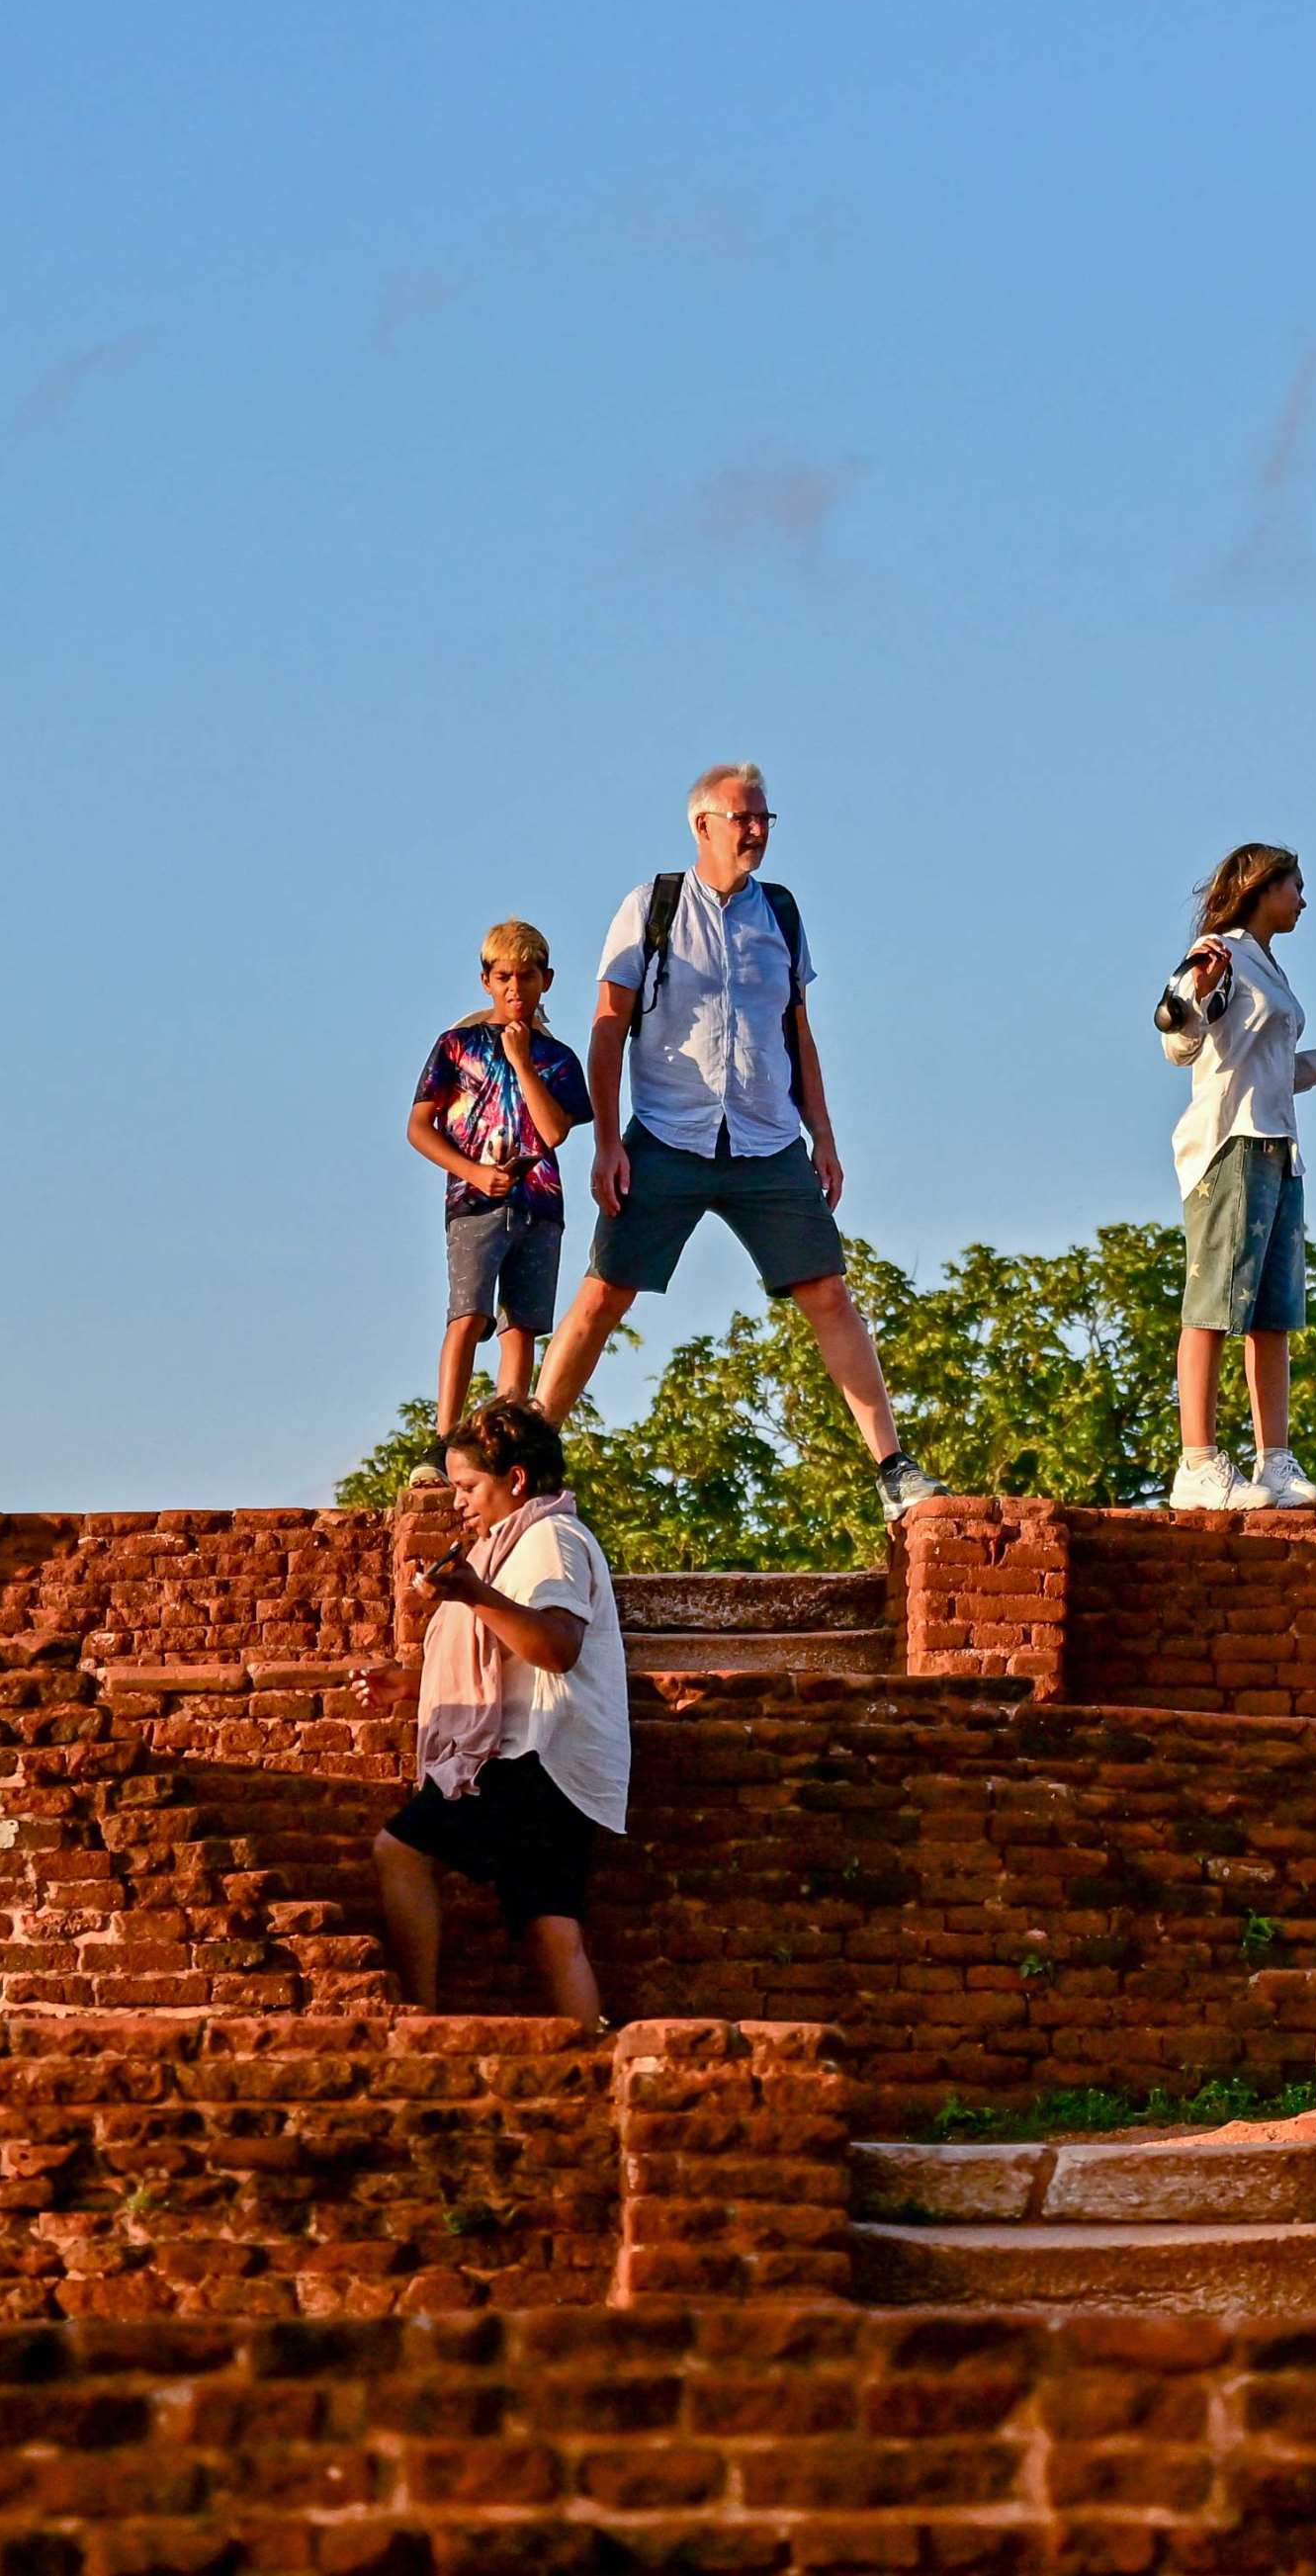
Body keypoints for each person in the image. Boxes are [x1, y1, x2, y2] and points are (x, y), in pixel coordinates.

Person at [531, 766, 946, 1523]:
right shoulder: (649, 907)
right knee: (600, 1295)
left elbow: (798, 1030)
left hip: (765, 1137)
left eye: (764, 817)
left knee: (829, 1293)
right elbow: (606, 1026)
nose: (755, 830)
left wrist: (822, 1132)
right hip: (666, 1132)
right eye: (741, 817)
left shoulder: (779, 914)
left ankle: (892, 1468)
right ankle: (527, 1455)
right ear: (702, 825)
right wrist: (604, 1144)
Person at [373, 1396, 629, 2018]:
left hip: (536, 1755)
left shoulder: (550, 1538)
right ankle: (593, 2062)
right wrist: (412, 1684)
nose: (458, 1501)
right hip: (556, 1758)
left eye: (468, 1485)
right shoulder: (520, 1542)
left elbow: (557, 1647)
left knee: (398, 1850)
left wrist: (473, 1593)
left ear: (515, 1480)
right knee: (550, 1928)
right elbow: (510, 1657)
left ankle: (422, 2016)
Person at [1155, 842, 1316, 1510]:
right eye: (1294, 885)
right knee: (1214, 1304)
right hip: (1232, 1146)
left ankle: (1273, 1461)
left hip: (1278, 1147)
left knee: (1271, 1313)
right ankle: (1197, 1462)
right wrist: (1199, 988)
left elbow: (1256, 1062)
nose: (1303, 899)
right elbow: (1175, 1033)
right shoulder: (1221, 950)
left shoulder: (1268, 965)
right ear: (1262, 886)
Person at [408, 918, 593, 1428]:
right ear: (487, 979)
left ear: (546, 980)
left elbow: (555, 1130)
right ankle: (445, 1437)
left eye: (528, 976)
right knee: (467, 1315)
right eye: (506, 976)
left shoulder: (557, 1059)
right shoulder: (456, 1046)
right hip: (474, 1202)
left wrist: (522, 1061)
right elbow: (420, 1127)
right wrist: (472, 1172)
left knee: (522, 1328)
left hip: (539, 1206)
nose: (517, 988)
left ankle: (504, 1438)